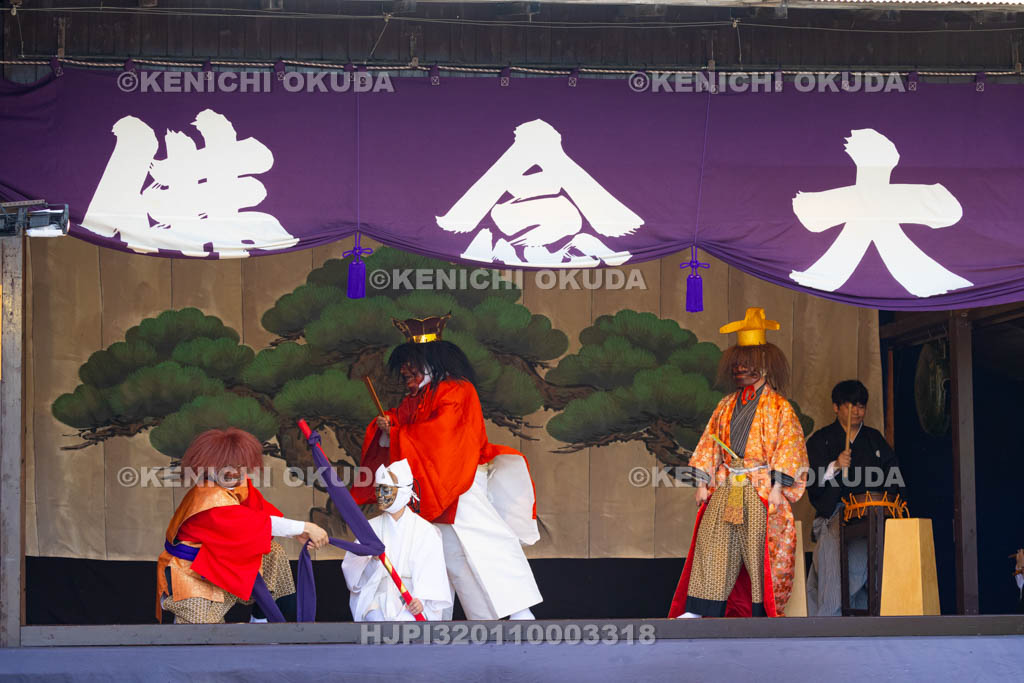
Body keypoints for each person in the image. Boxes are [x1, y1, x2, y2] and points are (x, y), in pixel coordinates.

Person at [355, 313, 542, 621]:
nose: (405, 372)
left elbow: (443, 433)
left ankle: (520, 613)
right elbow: (404, 424)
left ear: (432, 362)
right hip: (433, 483)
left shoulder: (456, 389)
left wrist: (399, 434)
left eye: (412, 364)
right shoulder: (418, 397)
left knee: (485, 547)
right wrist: (388, 426)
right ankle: (446, 620)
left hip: (462, 481)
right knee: (443, 558)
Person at [668, 307, 809, 618]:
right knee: (714, 541)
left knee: (758, 550)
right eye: (738, 364)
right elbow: (709, 442)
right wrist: (703, 483)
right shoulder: (726, 404)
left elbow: (791, 447)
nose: (741, 369)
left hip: (760, 488)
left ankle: (760, 613)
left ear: (765, 367)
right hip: (727, 482)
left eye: (748, 364)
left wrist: (778, 487)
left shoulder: (779, 407)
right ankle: (699, 609)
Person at [156, 428, 329, 624]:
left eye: (240, 464)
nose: (235, 471)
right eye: (226, 465)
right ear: (209, 466)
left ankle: (263, 620)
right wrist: (304, 527)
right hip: (192, 573)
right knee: (201, 636)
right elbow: (250, 524)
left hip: (223, 562)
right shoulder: (207, 497)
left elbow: (263, 515)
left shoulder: (240, 485)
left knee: (273, 553)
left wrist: (296, 533)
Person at [805, 380, 902, 616]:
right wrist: (836, 465)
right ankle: (830, 615)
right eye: (850, 405)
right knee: (833, 551)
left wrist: (890, 504)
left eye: (861, 406)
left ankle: (855, 614)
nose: (857, 411)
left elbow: (893, 473)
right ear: (836, 407)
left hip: (871, 513)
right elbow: (812, 481)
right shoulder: (821, 439)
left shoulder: (873, 439)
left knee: (873, 555)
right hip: (836, 511)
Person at [342, 459, 452, 621]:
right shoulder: (369, 529)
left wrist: (420, 600)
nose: (380, 495)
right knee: (376, 620)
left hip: (412, 598)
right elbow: (353, 572)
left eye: (386, 490)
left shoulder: (425, 531)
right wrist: (370, 561)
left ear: (402, 491)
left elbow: (432, 572)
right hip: (377, 596)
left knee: (407, 623)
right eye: (378, 489)